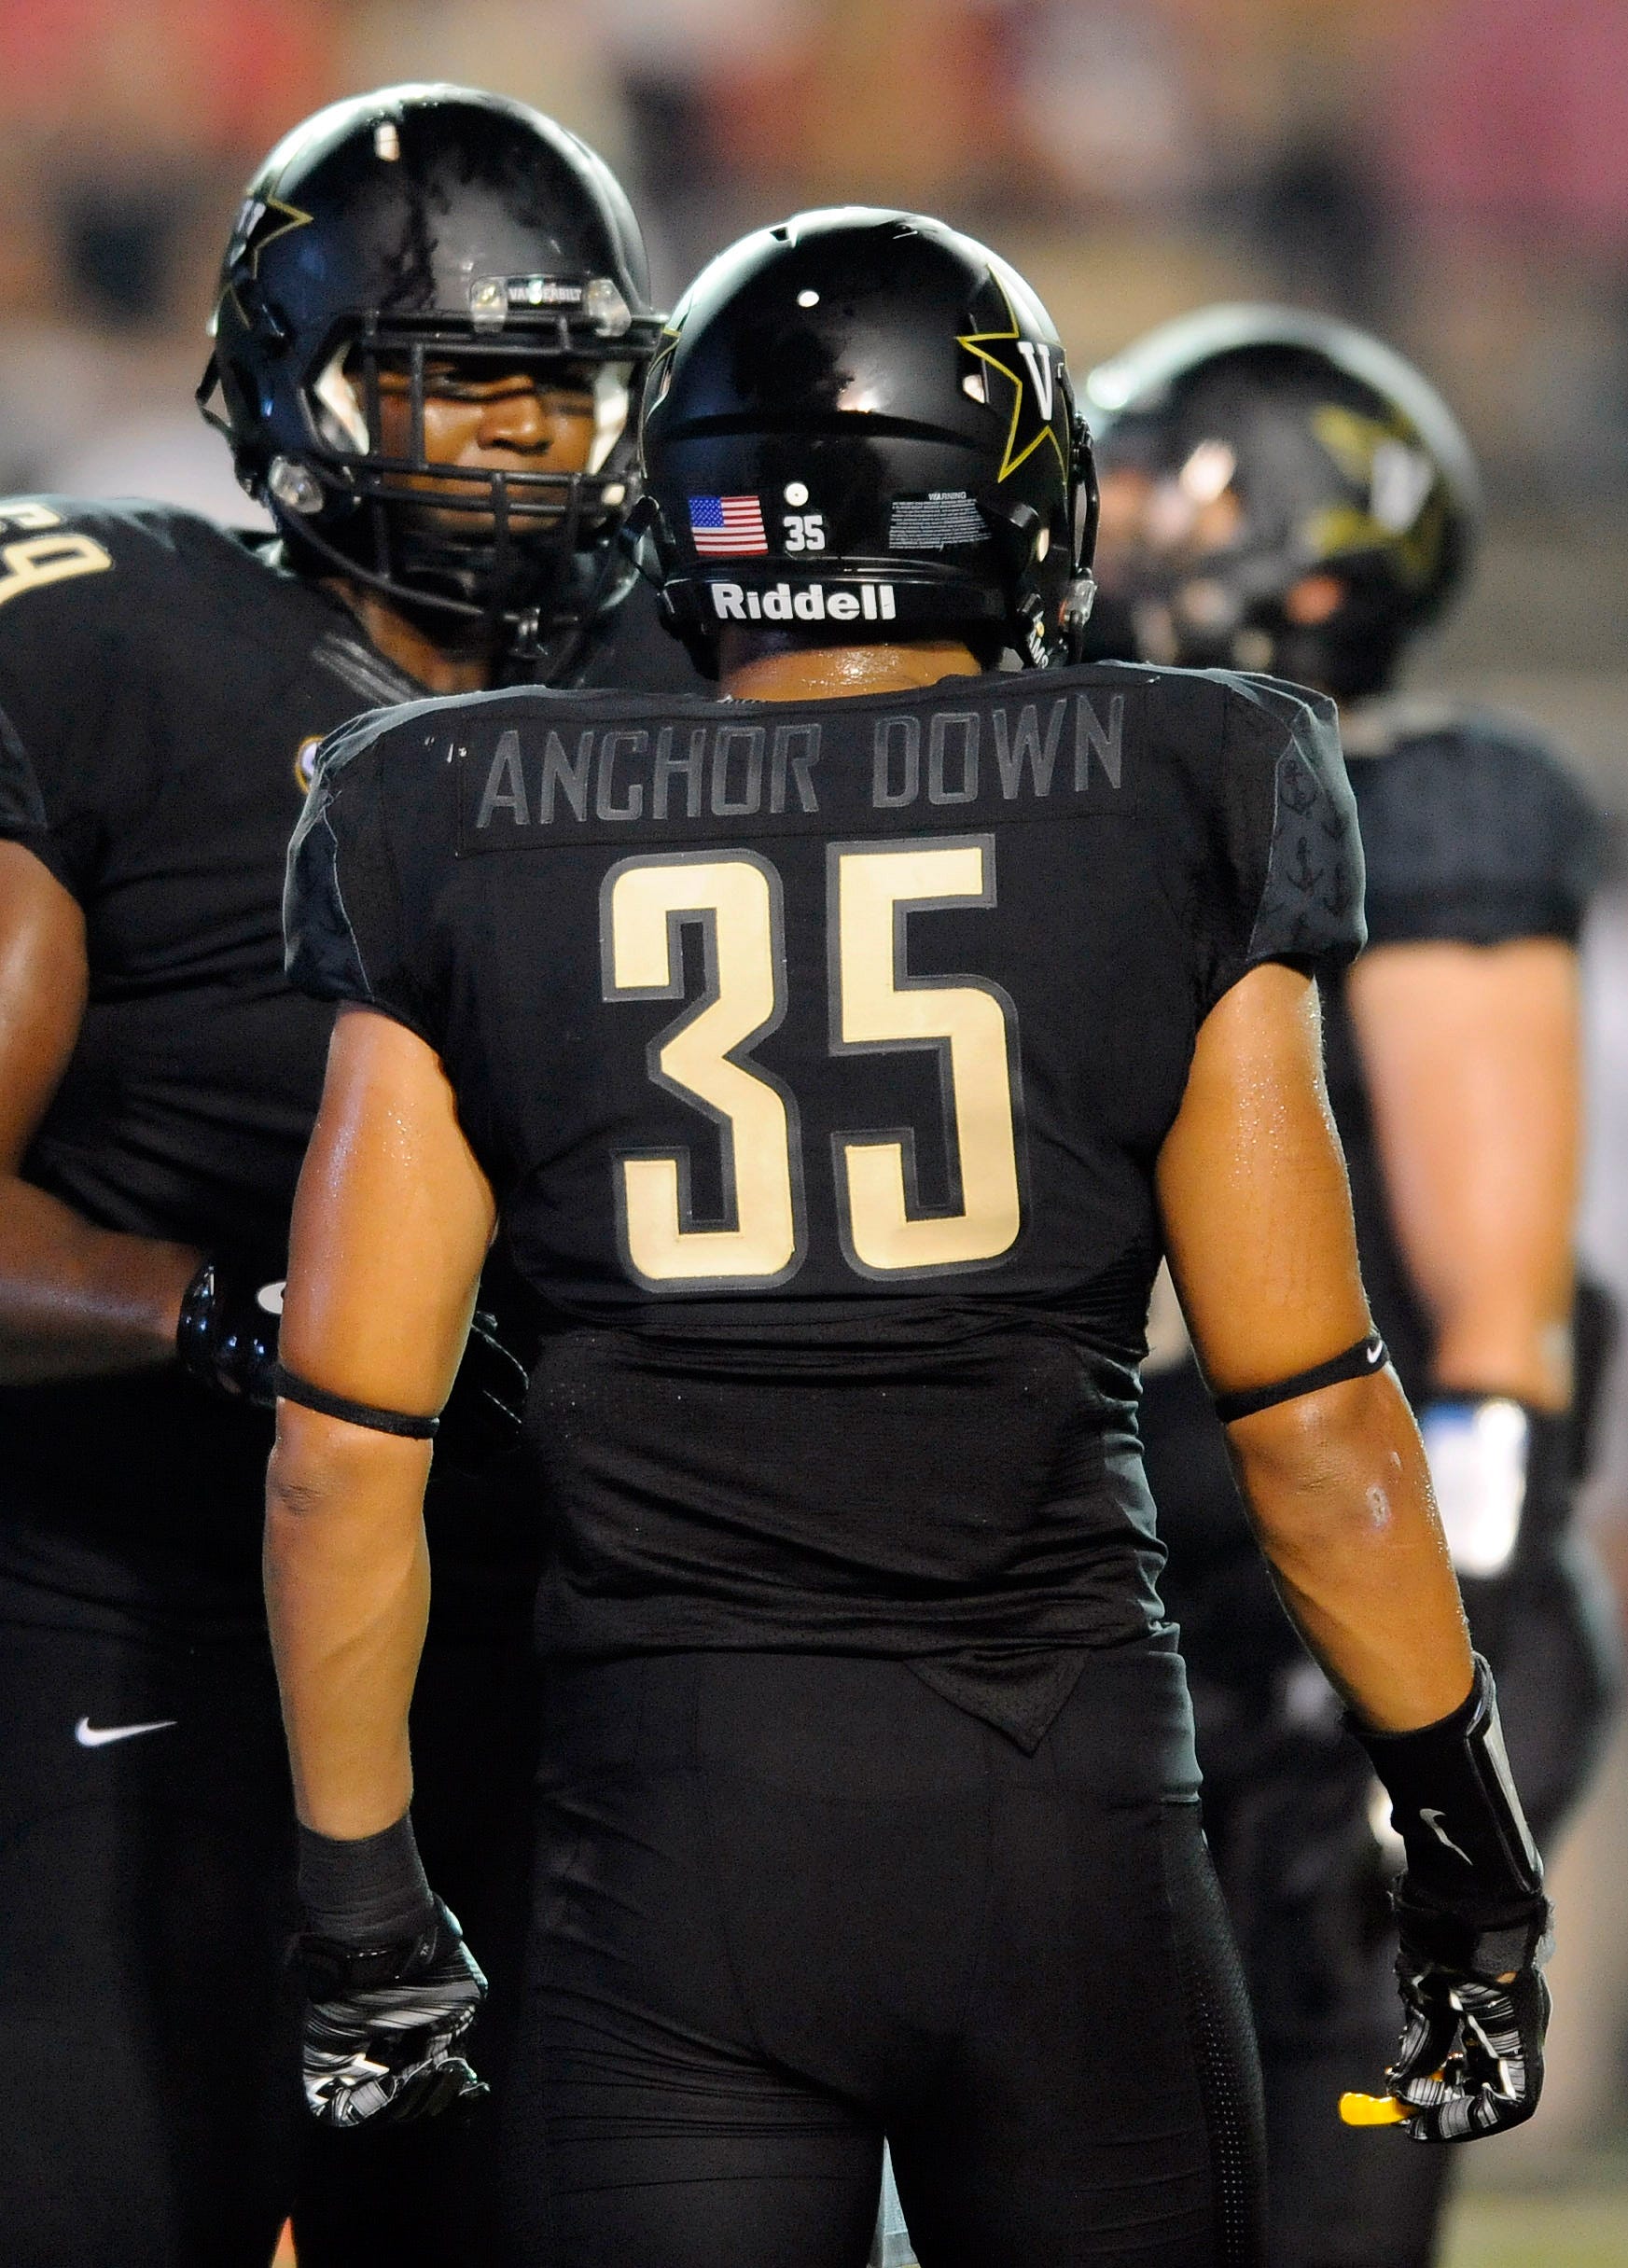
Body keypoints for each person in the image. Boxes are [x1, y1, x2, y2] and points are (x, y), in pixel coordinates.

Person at [268, 209, 1552, 2268]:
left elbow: (344, 1446)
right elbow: (1308, 1412)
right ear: (1017, 503)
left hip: (666, 1839)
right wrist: (1467, 1840)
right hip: (1062, 1817)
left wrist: (357, 1903)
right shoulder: (1181, 777)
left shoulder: (449, 805)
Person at [0, 83, 699, 2268]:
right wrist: (244, 1326)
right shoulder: (119, 651)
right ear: (300, 393)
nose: (513, 443)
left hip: (556, 1643)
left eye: (555, 390)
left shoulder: (685, 687)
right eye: (457, 384)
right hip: (154, 1620)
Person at [1081, 304, 1619, 2268]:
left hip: (1380, 1609)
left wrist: (1432, 1696)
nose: (1111, 515)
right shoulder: (1120, 783)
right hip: (1224, 1588)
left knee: (1332, 2171)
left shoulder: (1427, 804)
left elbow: (1496, 1328)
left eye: (1160, 474)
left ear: (1297, 549)